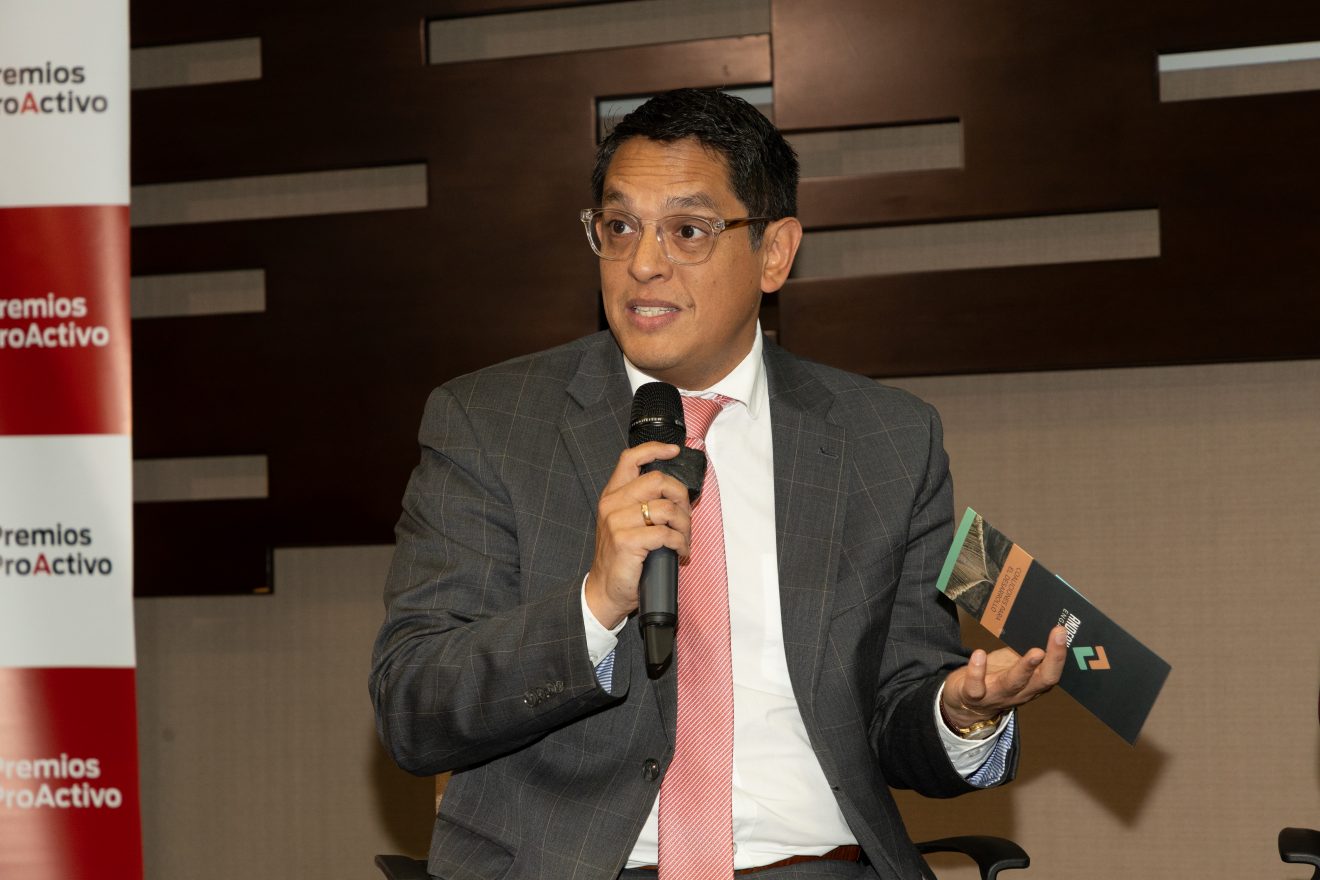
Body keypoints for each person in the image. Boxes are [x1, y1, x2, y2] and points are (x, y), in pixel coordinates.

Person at [370, 87, 1065, 880]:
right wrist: (594, 604)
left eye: (688, 230)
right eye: (619, 226)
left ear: (775, 253)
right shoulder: (490, 424)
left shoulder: (885, 440)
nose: (642, 263)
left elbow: (898, 705)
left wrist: (959, 713)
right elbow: (412, 708)